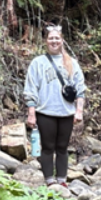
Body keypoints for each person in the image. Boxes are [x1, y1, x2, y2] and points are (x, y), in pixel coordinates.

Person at [24, 24, 86, 186]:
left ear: (62, 40)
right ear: (46, 41)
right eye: (51, 38)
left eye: (57, 38)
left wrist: (79, 111)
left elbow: (80, 88)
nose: (54, 41)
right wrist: (31, 112)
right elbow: (31, 88)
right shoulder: (38, 63)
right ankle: (49, 181)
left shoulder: (71, 62)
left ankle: (62, 180)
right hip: (45, 111)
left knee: (62, 147)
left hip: (66, 112)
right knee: (47, 147)